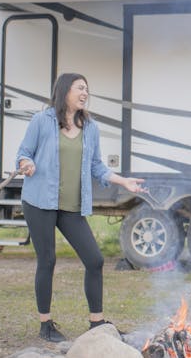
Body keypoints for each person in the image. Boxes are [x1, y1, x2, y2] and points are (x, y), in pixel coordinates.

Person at [17, 72, 144, 343]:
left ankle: (96, 322)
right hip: (40, 202)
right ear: (65, 91)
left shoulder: (90, 127)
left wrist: (124, 181)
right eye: (80, 88)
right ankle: (45, 324)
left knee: (95, 260)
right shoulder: (42, 121)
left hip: (72, 206)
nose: (85, 93)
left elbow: (96, 166)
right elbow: (24, 153)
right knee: (47, 260)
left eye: (87, 89)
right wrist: (26, 164)